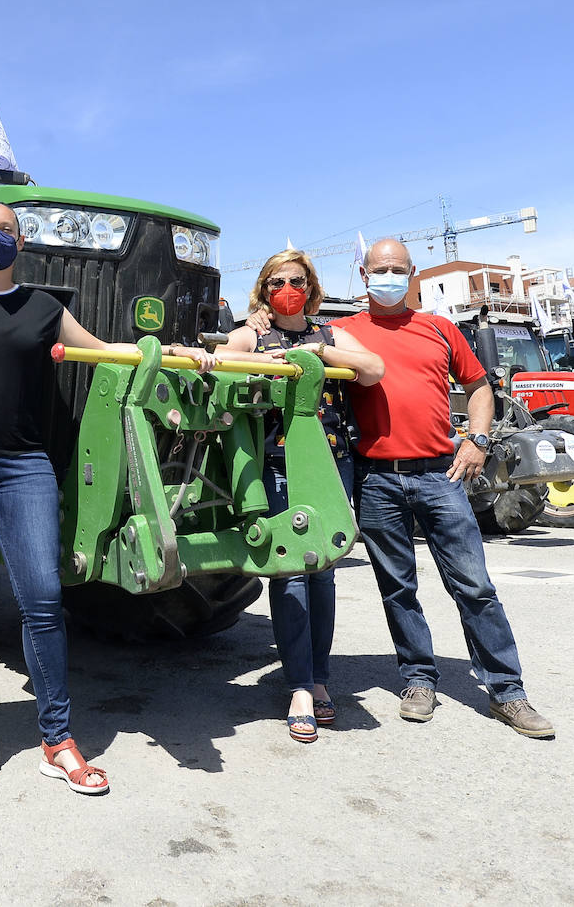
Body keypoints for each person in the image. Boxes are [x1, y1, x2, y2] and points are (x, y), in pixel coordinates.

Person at [0, 202, 216, 796]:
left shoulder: (47, 308)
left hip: (26, 463)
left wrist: (180, 354)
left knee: (43, 597)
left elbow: (109, 351)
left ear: (19, 243)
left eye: (7, 230)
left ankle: (57, 739)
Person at [331, 238, 554, 738]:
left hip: (440, 474)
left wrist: (477, 441)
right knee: (398, 589)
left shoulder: (440, 328)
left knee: (474, 586)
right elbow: (286, 340)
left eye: (397, 269)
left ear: (412, 273)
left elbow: (478, 387)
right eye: (378, 269)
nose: (388, 276)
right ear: (363, 274)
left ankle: (507, 692)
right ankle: (417, 679)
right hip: (376, 480)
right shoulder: (343, 331)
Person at [222, 249, 384, 742]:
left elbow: (373, 368)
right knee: (291, 572)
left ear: (310, 286)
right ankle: (298, 688)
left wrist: (319, 355)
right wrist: (261, 357)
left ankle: (320, 679)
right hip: (277, 464)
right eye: (275, 281)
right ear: (263, 290)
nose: (285, 288)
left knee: (324, 574)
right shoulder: (254, 332)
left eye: (295, 280)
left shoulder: (330, 334)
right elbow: (221, 360)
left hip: (332, 463)